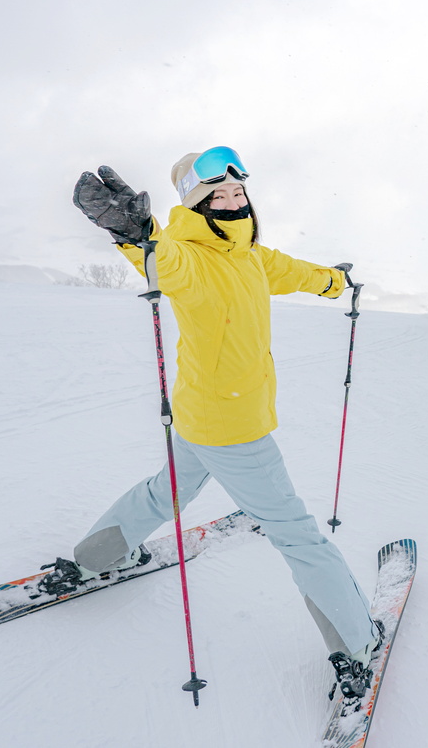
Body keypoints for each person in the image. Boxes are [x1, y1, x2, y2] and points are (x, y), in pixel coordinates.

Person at [61, 146, 381, 700]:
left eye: (238, 193)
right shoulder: (190, 256)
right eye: (218, 197)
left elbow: (291, 270)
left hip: (198, 413)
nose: (232, 202)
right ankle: (357, 642)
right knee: (299, 535)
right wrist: (136, 234)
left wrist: (334, 282)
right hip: (233, 425)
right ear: (198, 205)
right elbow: (161, 258)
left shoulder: (249, 255)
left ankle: (97, 556)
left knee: (167, 493)